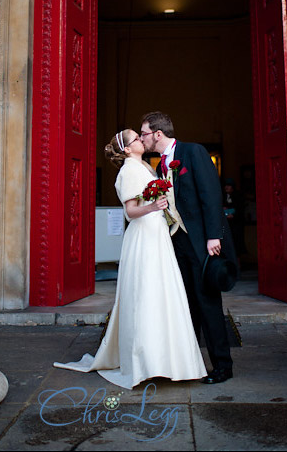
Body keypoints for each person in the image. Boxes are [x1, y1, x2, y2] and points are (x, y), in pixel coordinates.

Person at [54, 129, 206, 389]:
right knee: (145, 294)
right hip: (143, 236)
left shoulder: (145, 167)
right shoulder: (128, 171)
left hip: (157, 233)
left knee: (163, 294)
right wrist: (153, 207)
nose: (140, 140)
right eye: (136, 138)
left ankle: (167, 360)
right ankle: (145, 362)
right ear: (126, 149)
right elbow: (130, 211)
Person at [140, 111, 238, 384]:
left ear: (158, 134)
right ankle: (190, 364)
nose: (142, 138)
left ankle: (222, 366)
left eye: (145, 133)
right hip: (177, 243)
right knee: (186, 305)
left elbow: (211, 194)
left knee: (207, 303)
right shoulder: (160, 165)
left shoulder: (192, 152)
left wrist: (213, 236)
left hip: (201, 243)